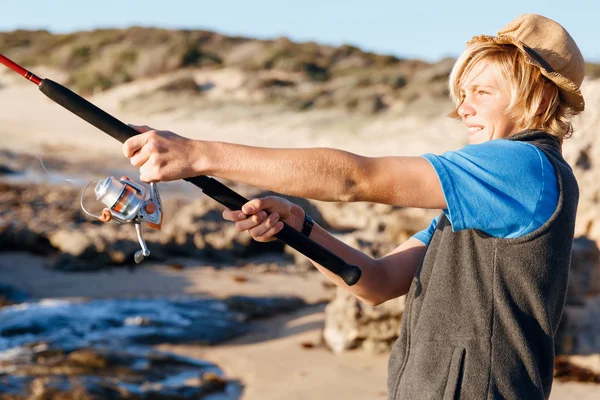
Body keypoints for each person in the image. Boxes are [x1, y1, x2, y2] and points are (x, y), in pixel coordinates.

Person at [122, 14, 585, 400]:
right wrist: (301, 228)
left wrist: (197, 155)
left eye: (483, 92)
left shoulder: (523, 167)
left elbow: (354, 178)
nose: (463, 107)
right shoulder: (488, 190)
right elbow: (377, 282)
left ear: (537, 96)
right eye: (463, 93)